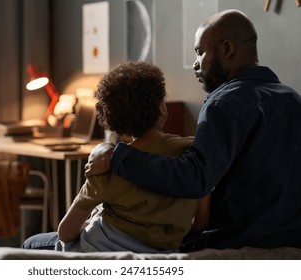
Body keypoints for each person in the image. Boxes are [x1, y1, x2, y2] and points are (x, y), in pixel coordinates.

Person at [85, 9, 301, 251]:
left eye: (200, 52)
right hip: (290, 241)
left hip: (238, 242)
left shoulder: (224, 102)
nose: (196, 65)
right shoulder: (292, 99)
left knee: (37, 243)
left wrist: (116, 156)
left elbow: (195, 178)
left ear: (227, 49)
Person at [23, 61, 210, 251]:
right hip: (161, 253)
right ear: (162, 109)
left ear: (116, 124)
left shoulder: (106, 167)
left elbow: (65, 233)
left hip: (100, 251)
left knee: (31, 244)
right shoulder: (194, 154)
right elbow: (199, 223)